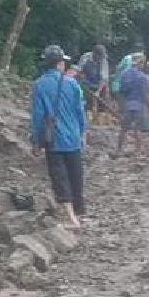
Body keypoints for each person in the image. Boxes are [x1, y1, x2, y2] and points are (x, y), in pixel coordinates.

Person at [31, 45, 87, 230]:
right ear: (60, 64)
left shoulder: (39, 85)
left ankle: (72, 219)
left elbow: (39, 117)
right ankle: (78, 214)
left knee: (60, 177)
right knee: (75, 176)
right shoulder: (72, 84)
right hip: (73, 137)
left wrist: (36, 142)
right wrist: (82, 133)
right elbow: (80, 112)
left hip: (53, 140)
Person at [117, 53, 149, 157]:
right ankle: (138, 151)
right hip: (139, 105)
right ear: (140, 63)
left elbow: (121, 92)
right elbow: (146, 94)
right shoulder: (143, 77)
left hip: (127, 104)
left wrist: (121, 106)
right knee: (138, 129)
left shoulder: (124, 74)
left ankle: (119, 150)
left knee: (124, 129)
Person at [81, 44, 110, 124]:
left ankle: (103, 116)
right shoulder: (85, 57)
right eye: (99, 56)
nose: (100, 59)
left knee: (106, 92)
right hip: (86, 82)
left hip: (98, 83)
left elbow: (104, 79)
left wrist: (98, 91)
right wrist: (83, 83)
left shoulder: (104, 61)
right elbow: (80, 72)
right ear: (94, 54)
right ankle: (86, 114)